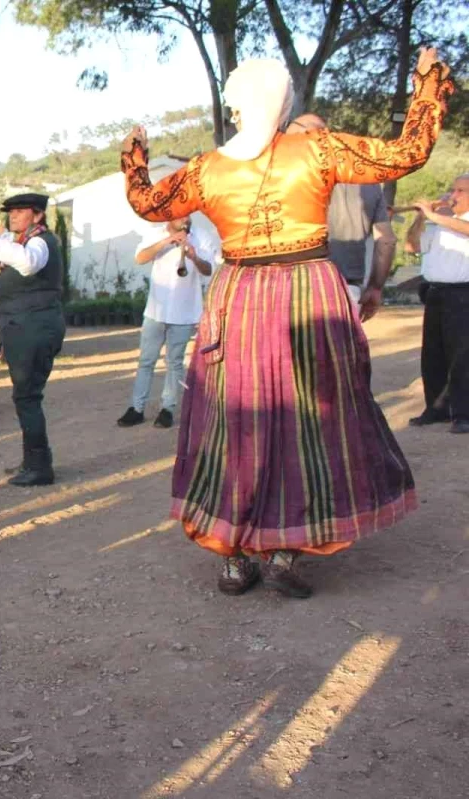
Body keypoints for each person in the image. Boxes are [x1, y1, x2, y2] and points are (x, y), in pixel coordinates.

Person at [119, 48, 453, 598]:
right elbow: (407, 153)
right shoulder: (317, 150)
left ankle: (235, 555)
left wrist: (135, 153)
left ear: (235, 106)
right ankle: (285, 548)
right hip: (308, 293)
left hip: (241, 295)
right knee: (308, 419)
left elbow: (148, 202)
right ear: (284, 103)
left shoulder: (206, 168)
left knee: (233, 419)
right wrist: (425, 84)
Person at [0, 194, 65, 487]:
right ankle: (33, 461)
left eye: (20, 211)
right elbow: (7, 262)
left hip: (34, 326)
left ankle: (40, 466)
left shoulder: (39, 243)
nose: (12, 215)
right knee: (25, 396)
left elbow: (26, 263)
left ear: (37, 216)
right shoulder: (23, 241)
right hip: (23, 326)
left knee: (27, 397)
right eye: (10, 211)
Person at [287, 114, 396, 317]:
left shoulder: (287, 176)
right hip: (347, 289)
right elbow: (386, 241)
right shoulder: (367, 181)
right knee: (342, 349)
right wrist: (375, 287)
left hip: (295, 289)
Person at [117, 215, 215, 430]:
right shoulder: (156, 233)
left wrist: (194, 256)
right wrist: (165, 242)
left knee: (175, 362)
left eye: (188, 214)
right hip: (156, 310)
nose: (186, 219)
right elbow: (140, 258)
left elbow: (209, 270)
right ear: (170, 217)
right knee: (146, 361)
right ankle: (136, 408)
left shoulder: (202, 236)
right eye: (181, 215)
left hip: (185, 312)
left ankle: (167, 409)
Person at [404, 173, 469, 434]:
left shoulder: (460, 222)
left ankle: (464, 413)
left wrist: (434, 215)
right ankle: (437, 408)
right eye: (453, 190)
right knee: (433, 353)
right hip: (434, 292)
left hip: (462, 294)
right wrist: (421, 217)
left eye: (461, 191)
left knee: (462, 355)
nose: (453, 196)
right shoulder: (438, 224)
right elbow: (411, 246)